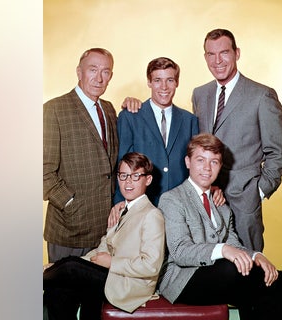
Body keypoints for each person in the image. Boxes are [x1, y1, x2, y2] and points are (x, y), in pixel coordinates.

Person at [123, 29, 282, 252]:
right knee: (208, 268)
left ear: (237, 53)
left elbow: (279, 152)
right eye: (211, 54)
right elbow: (197, 146)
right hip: (201, 200)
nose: (217, 60)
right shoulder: (201, 94)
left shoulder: (261, 95)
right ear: (205, 58)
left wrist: (257, 192)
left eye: (224, 53)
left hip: (243, 203)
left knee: (247, 268)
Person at [157, 133, 282, 320]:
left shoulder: (221, 205)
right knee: (232, 268)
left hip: (220, 278)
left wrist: (257, 256)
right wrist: (223, 249)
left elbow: (235, 245)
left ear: (220, 166)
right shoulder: (172, 199)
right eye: (200, 160)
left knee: (275, 292)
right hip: (183, 280)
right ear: (188, 162)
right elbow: (180, 252)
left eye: (214, 162)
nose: (207, 168)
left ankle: (280, 280)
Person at [43, 152, 165, 320]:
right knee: (56, 289)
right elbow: (101, 250)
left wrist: (112, 263)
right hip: (111, 276)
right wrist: (58, 267)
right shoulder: (120, 210)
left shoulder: (152, 215)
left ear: (148, 180)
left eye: (135, 176)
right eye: (123, 175)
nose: (128, 182)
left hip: (130, 284)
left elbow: (151, 266)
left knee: (71, 265)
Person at [43, 47, 119, 262]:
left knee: (100, 294)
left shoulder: (109, 109)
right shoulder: (54, 110)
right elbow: (42, 172)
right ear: (79, 72)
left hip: (105, 231)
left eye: (105, 71)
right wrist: (71, 204)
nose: (99, 77)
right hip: (69, 230)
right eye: (92, 69)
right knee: (64, 294)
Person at [114, 57, 199, 206]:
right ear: (149, 82)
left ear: (177, 82)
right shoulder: (130, 117)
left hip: (180, 206)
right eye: (158, 80)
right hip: (142, 205)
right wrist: (120, 204)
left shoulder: (189, 120)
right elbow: (122, 164)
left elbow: (195, 166)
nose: (164, 87)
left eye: (170, 80)